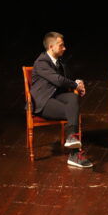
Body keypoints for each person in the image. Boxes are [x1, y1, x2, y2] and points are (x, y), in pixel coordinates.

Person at [30, 32, 93, 168]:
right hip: (43, 102)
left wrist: (77, 82)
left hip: (55, 97)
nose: (64, 48)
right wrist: (76, 85)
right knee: (71, 111)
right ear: (51, 46)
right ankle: (75, 153)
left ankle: (72, 140)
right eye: (61, 45)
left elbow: (67, 79)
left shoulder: (59, 62)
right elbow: (58, 81)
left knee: (73, 97)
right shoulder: (41, 62)